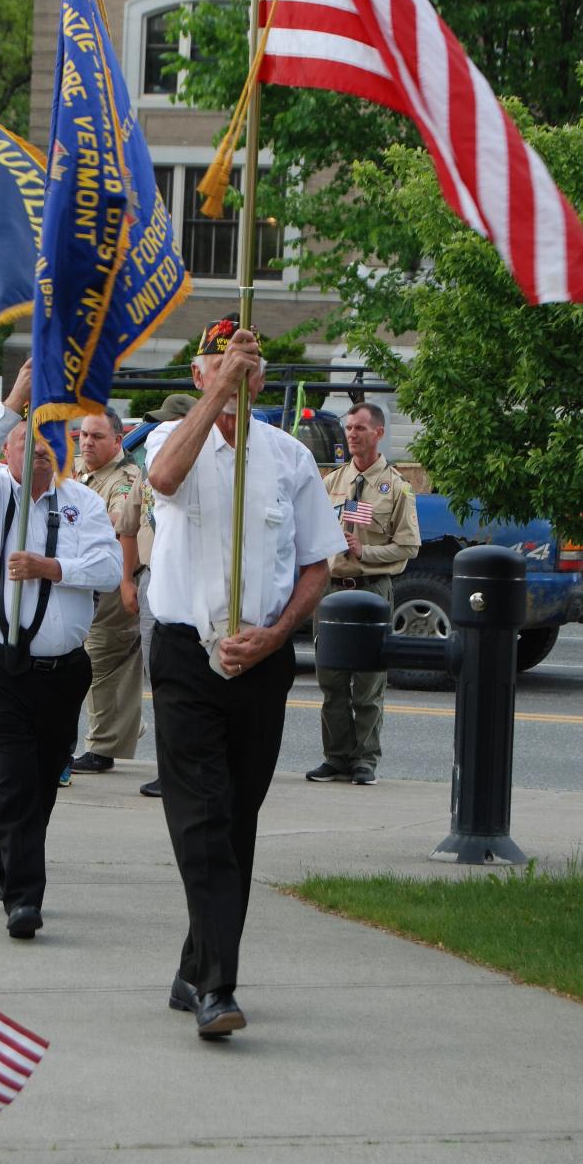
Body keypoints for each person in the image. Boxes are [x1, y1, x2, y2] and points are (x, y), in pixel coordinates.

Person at [146, 318, 346, 1038]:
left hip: (260, 662)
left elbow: (318, 563)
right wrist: (217, 395)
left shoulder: (290, 458)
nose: (236, 373)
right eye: (221, 361)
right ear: (200, 374)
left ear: (262, 379)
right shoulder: (172, 441)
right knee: (200, 817)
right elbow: (163, 479)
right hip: (184, 656)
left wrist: (274, 635)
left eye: (249, 363)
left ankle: (194, 962)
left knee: (235, 822)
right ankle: (216, 989)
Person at [0, 360, 121, 939]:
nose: (41, 451)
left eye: (50, 442)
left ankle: (12, 863)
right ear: (9, 452)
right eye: (29, 442)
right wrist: (11, 407)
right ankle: (25, 899)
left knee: (43, 780)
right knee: (15, 777)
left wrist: (52, 567)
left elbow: (108, 567)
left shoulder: (84, 503)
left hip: (63, 673)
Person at [307, 401, 420, 786]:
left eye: (360, 429)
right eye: (349, 428)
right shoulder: (331, 483)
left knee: (368, 684)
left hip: (372, 590)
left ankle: (364, 760)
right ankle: (336, 757)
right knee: (331, 681)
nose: (352, 434)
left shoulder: (397, 488)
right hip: (334, 591)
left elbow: (407, 546)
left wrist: (365, 552)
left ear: (379, 433)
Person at [116, 394, 196, 798]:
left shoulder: (205, 474)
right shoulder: (148, 474)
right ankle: (169, 770)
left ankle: (191, 768)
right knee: (160, 677)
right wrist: (128, 580)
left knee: (195, 681)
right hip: (152, 580)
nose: (159, 434)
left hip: (194, 581)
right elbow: (128, 526)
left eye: (169, 426)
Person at [70, 407, 143, 775]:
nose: (87, 442)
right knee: (93, 661)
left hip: (112, 582)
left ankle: (102, 747)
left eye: (97, 436)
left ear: (117, 440)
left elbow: (118, 523)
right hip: (82, 580)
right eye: (83, 435)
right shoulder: (82, 474)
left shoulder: (124, 478)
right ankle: (114, 732)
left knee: (101, 662)